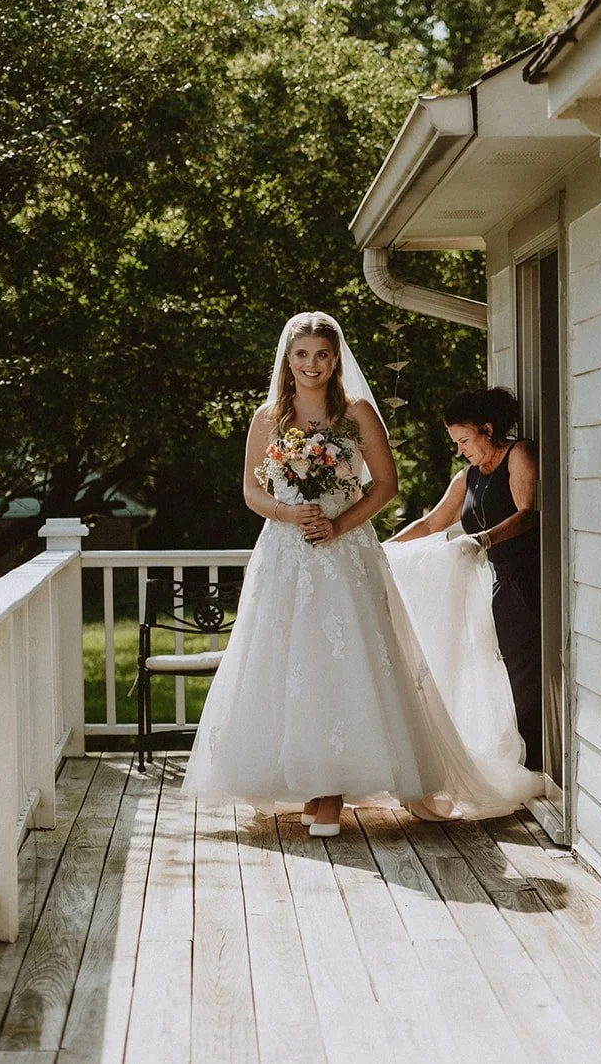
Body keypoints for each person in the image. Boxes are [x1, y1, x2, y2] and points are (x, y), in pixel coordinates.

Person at [182, 312, 541, 836]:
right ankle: (305, 782)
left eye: (322, 355)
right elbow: (251, 491)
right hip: (285, 553)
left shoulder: (357, 413)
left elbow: (385, 486)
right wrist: (289, 514)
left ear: (336, 358)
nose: (312, 365)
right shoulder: (267, 418)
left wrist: (338, 524)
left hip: (343, 551)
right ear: (288, 358)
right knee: (287, 661)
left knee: (340, 660)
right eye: (302, 355)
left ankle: (332, 790)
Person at [389, 388, 543, 773]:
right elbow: (431, 523)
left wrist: (483, 539)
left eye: (464, 440)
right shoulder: (469, 476)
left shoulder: (518, 454)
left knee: (520, 675)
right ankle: (515, 759)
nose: (460, 450)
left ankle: (533, 764)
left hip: (523, 582)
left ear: (487, 429)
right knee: (493, 672)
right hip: (487, 584)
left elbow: (528, 512)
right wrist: (382, 547)